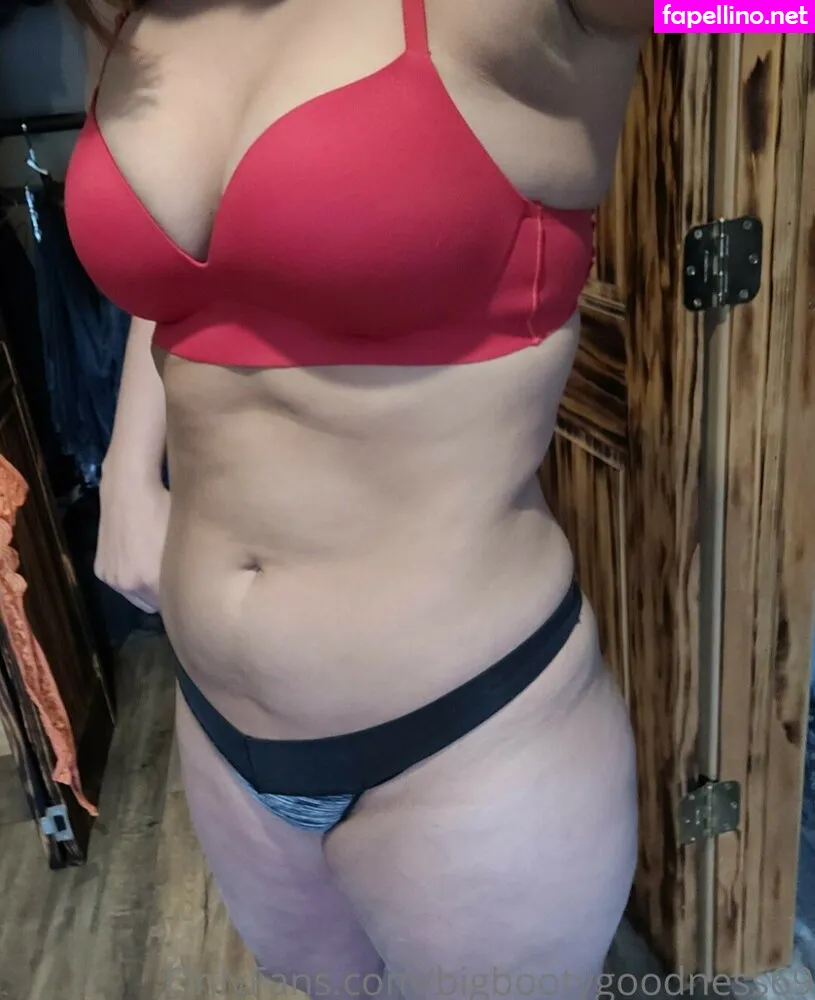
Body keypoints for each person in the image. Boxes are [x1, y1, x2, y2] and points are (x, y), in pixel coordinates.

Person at [65, 0, 649, 996]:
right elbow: (195, 270)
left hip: (468, 741)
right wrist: (128, 466)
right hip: (220, 730)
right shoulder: (134, 15)